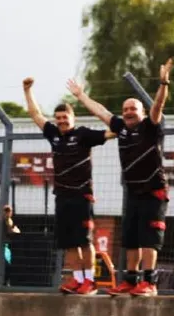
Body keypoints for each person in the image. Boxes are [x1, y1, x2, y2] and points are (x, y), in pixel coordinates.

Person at [67, 58, 174, 297]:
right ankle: (131, 280)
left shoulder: (151, 126)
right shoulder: (121, 128)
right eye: (125, 109)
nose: (127, 112)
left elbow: (157, 105)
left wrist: (163, 83)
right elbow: (102, 112)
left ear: (142, 113)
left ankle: (149, 283)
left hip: (154, 191)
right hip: (133, 191)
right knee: (130, 238)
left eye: (133, 109)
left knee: (149, 238)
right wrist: (81, 96)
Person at [22, 76, 110, 295]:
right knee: (68, 242)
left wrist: (124, 124)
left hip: (82, 196)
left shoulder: (82, 134)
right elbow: (35, 114)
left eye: (65, 117)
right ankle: (77, 279)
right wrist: (27, 90)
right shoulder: (53, 134)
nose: (61, 120)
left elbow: (112, 132)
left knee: (84, 240)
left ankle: (90, 280)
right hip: (61, 196)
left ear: (73, 117)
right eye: (58, 117)